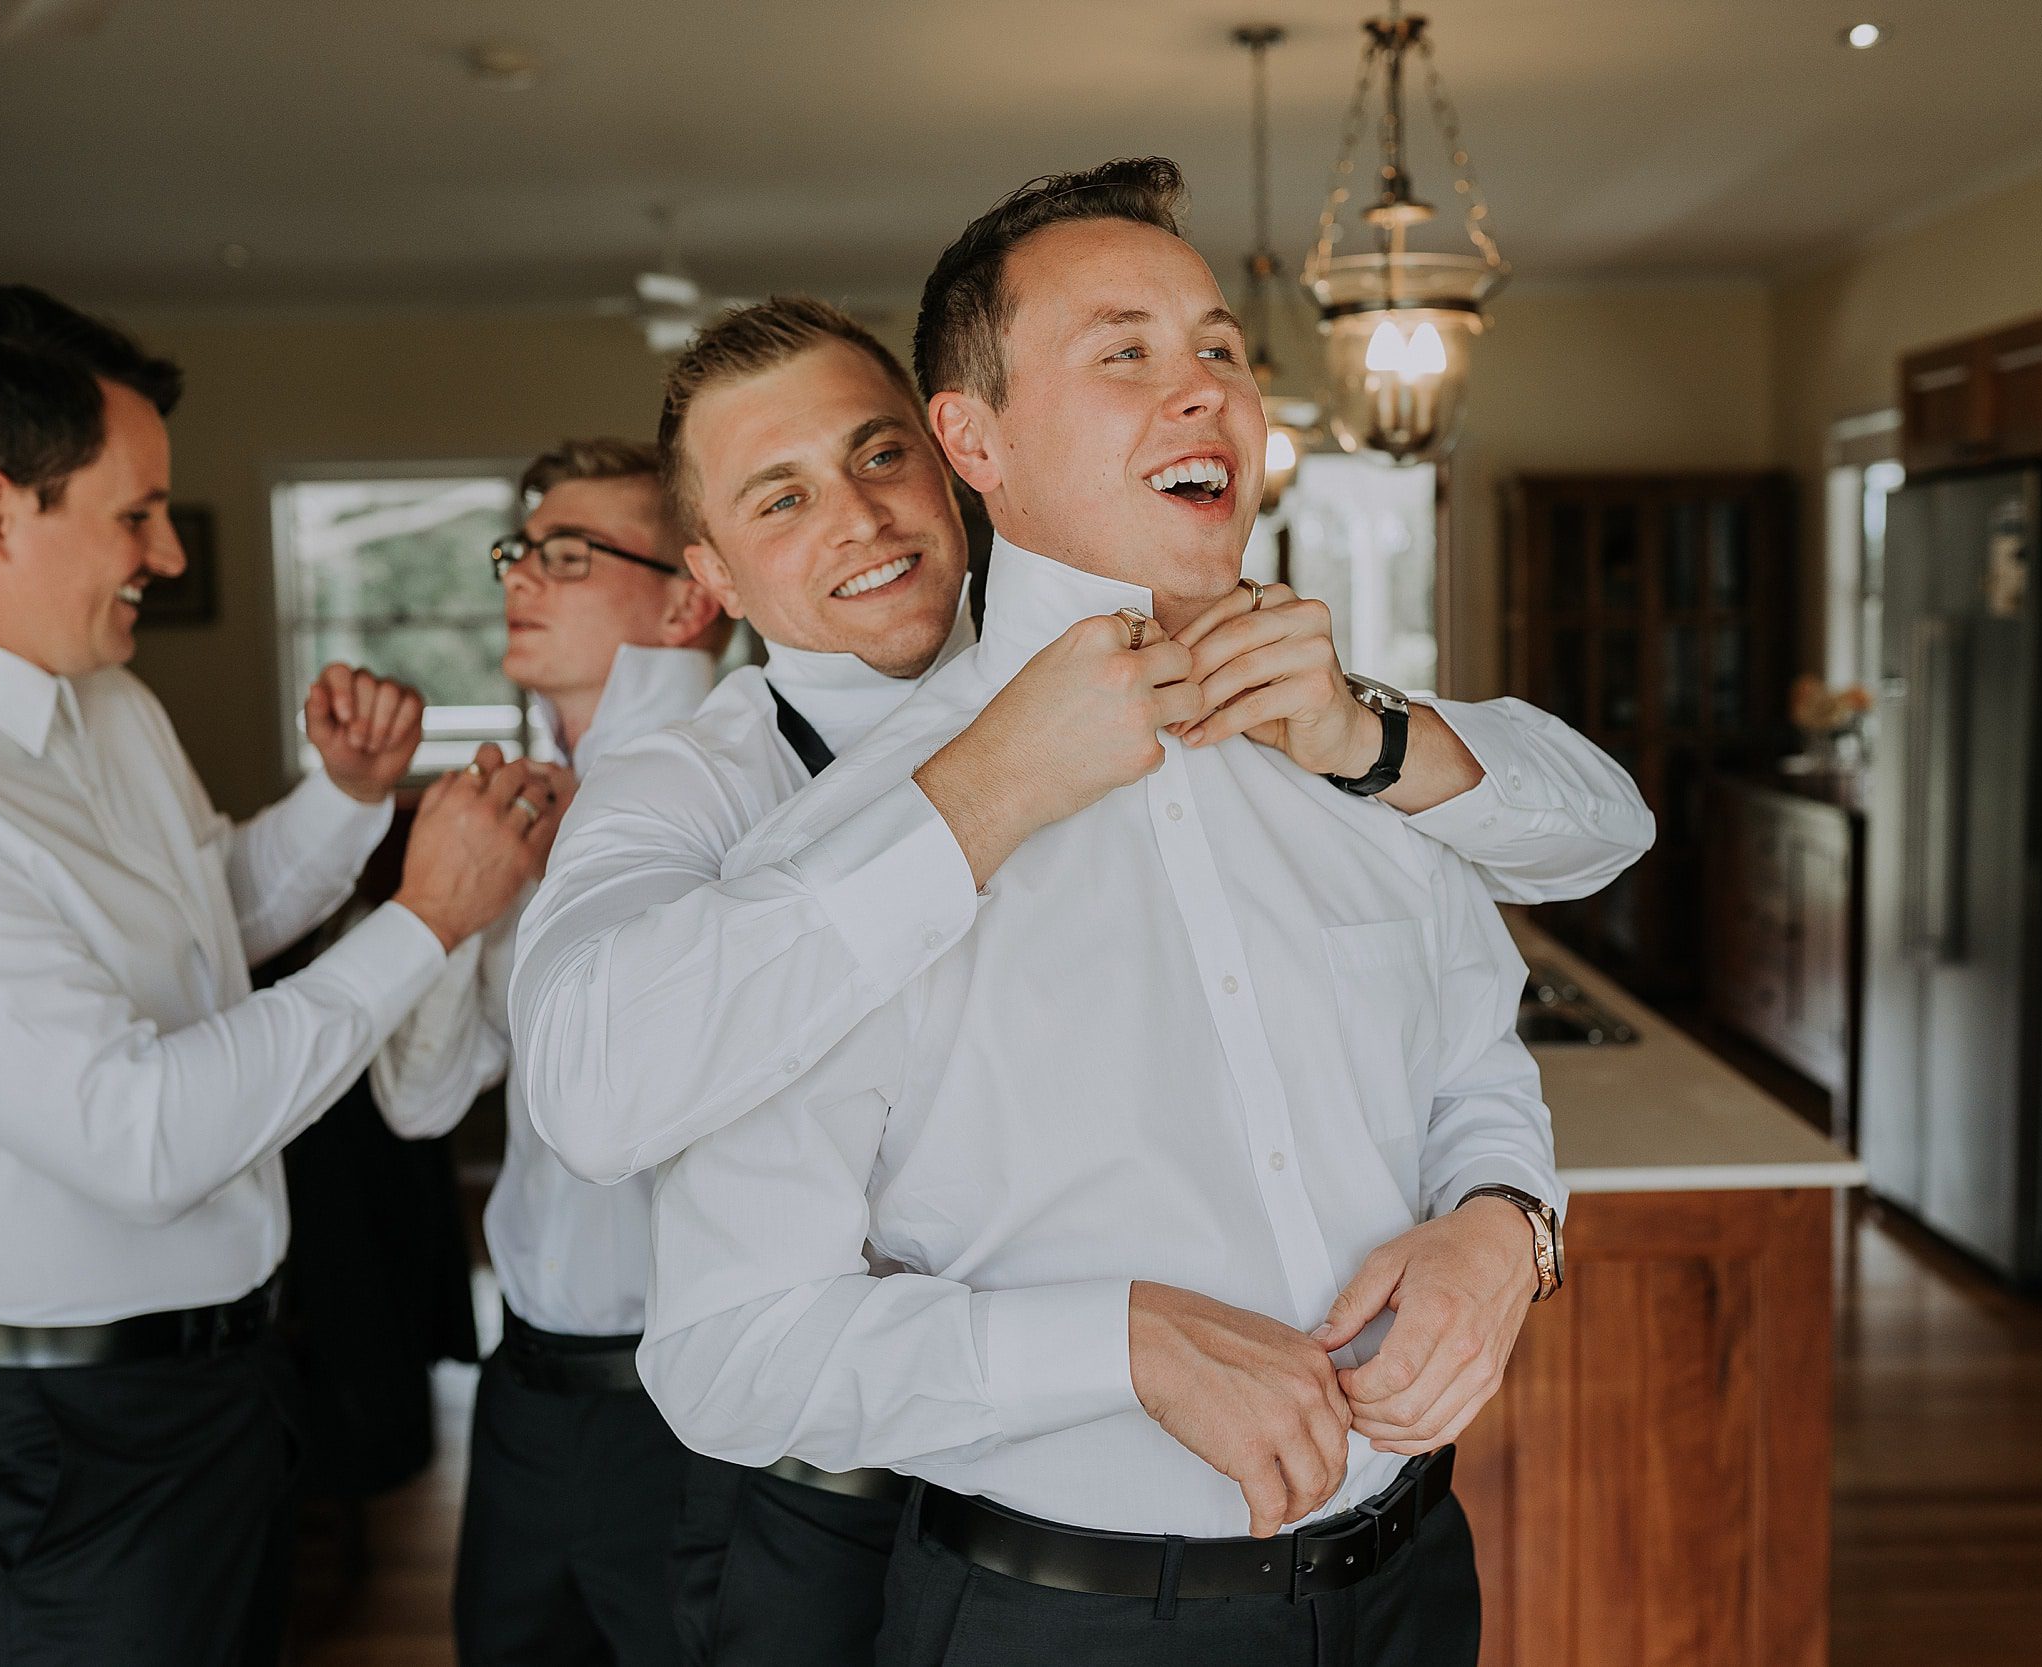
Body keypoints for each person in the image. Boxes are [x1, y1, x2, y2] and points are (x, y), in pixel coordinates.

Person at [516, 287, 1644, 1659]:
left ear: (957, 456)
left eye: (880, 457)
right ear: (711, 580)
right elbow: (592, 1089)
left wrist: (1509, 1221)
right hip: (834, 1510)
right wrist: (980, 792)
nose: (861, 520)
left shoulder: (1229, 695)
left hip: (1358, 1556)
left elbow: (1549, 896)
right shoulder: (688, 794)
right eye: (782, 498)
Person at [0, 277, 552, 1667]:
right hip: (57, 1449)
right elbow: (138, 1134)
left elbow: (207, 922)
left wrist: (348, 801)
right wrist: (429, 921)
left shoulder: (107, 699)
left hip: (220, 1388)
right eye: (133, 511)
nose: (162, 549)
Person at [369, 436, 730, 1665]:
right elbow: (420, 1105)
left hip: (696, 1408)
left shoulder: (750, 793)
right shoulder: (510, 804)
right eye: (521, 549)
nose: (522, 574)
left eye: (569, 554)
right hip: (524, 1397)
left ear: (688, 595)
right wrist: (456, 909)